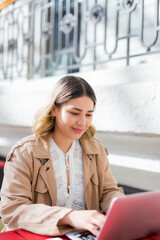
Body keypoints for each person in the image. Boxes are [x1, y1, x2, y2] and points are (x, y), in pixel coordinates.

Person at [0, 76, 124, 237]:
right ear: (53, 109)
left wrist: (121, 206)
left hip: (86, 235)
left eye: (88, 114)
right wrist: (70, 216)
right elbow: (13, 209)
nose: (83, 122)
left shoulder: (96, 149)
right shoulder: (25, 152)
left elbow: (109, 191)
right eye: (74, 113)